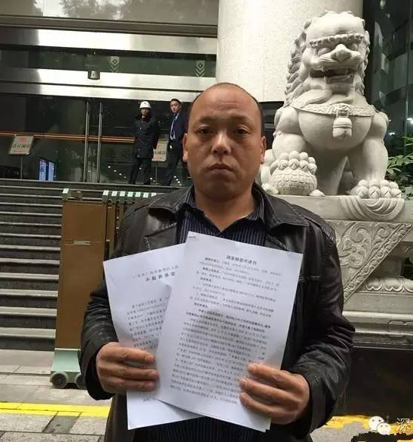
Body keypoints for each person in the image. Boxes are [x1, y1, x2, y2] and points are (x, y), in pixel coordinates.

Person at [80, 82, 354, 442]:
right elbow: (102, 306)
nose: (221, 144)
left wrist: (309, 388)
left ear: (262, 149)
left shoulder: (308, 236)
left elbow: (331, 336)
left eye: (239, 132)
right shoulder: (142, 223)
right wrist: (99, 352)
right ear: (185, 146)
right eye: (205, 131)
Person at [129, 101, 160, 185]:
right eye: (143, 109)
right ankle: (131, 184)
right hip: (137, 148)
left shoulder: (153, 121)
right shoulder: (137, 120)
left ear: (149, 110)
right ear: (140, 110)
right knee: (134, 167)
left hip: (147, 148)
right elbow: (135, 132)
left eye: (146, 109)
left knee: (146, 169)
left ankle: (146, 185)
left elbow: (157, 133)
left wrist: (152, 144)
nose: (144, 111)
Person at [161, 98, 188, 186]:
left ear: (180, 106)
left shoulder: (184, 116)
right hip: (173, 145)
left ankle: (191, 185)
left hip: (181, 145)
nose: (173, 107)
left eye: (175, 105)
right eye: (171, 106)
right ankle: (165, 185)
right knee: (170, 166)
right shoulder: (173, 117)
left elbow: (186, 130)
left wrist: (184, 144)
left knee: (186, 166)